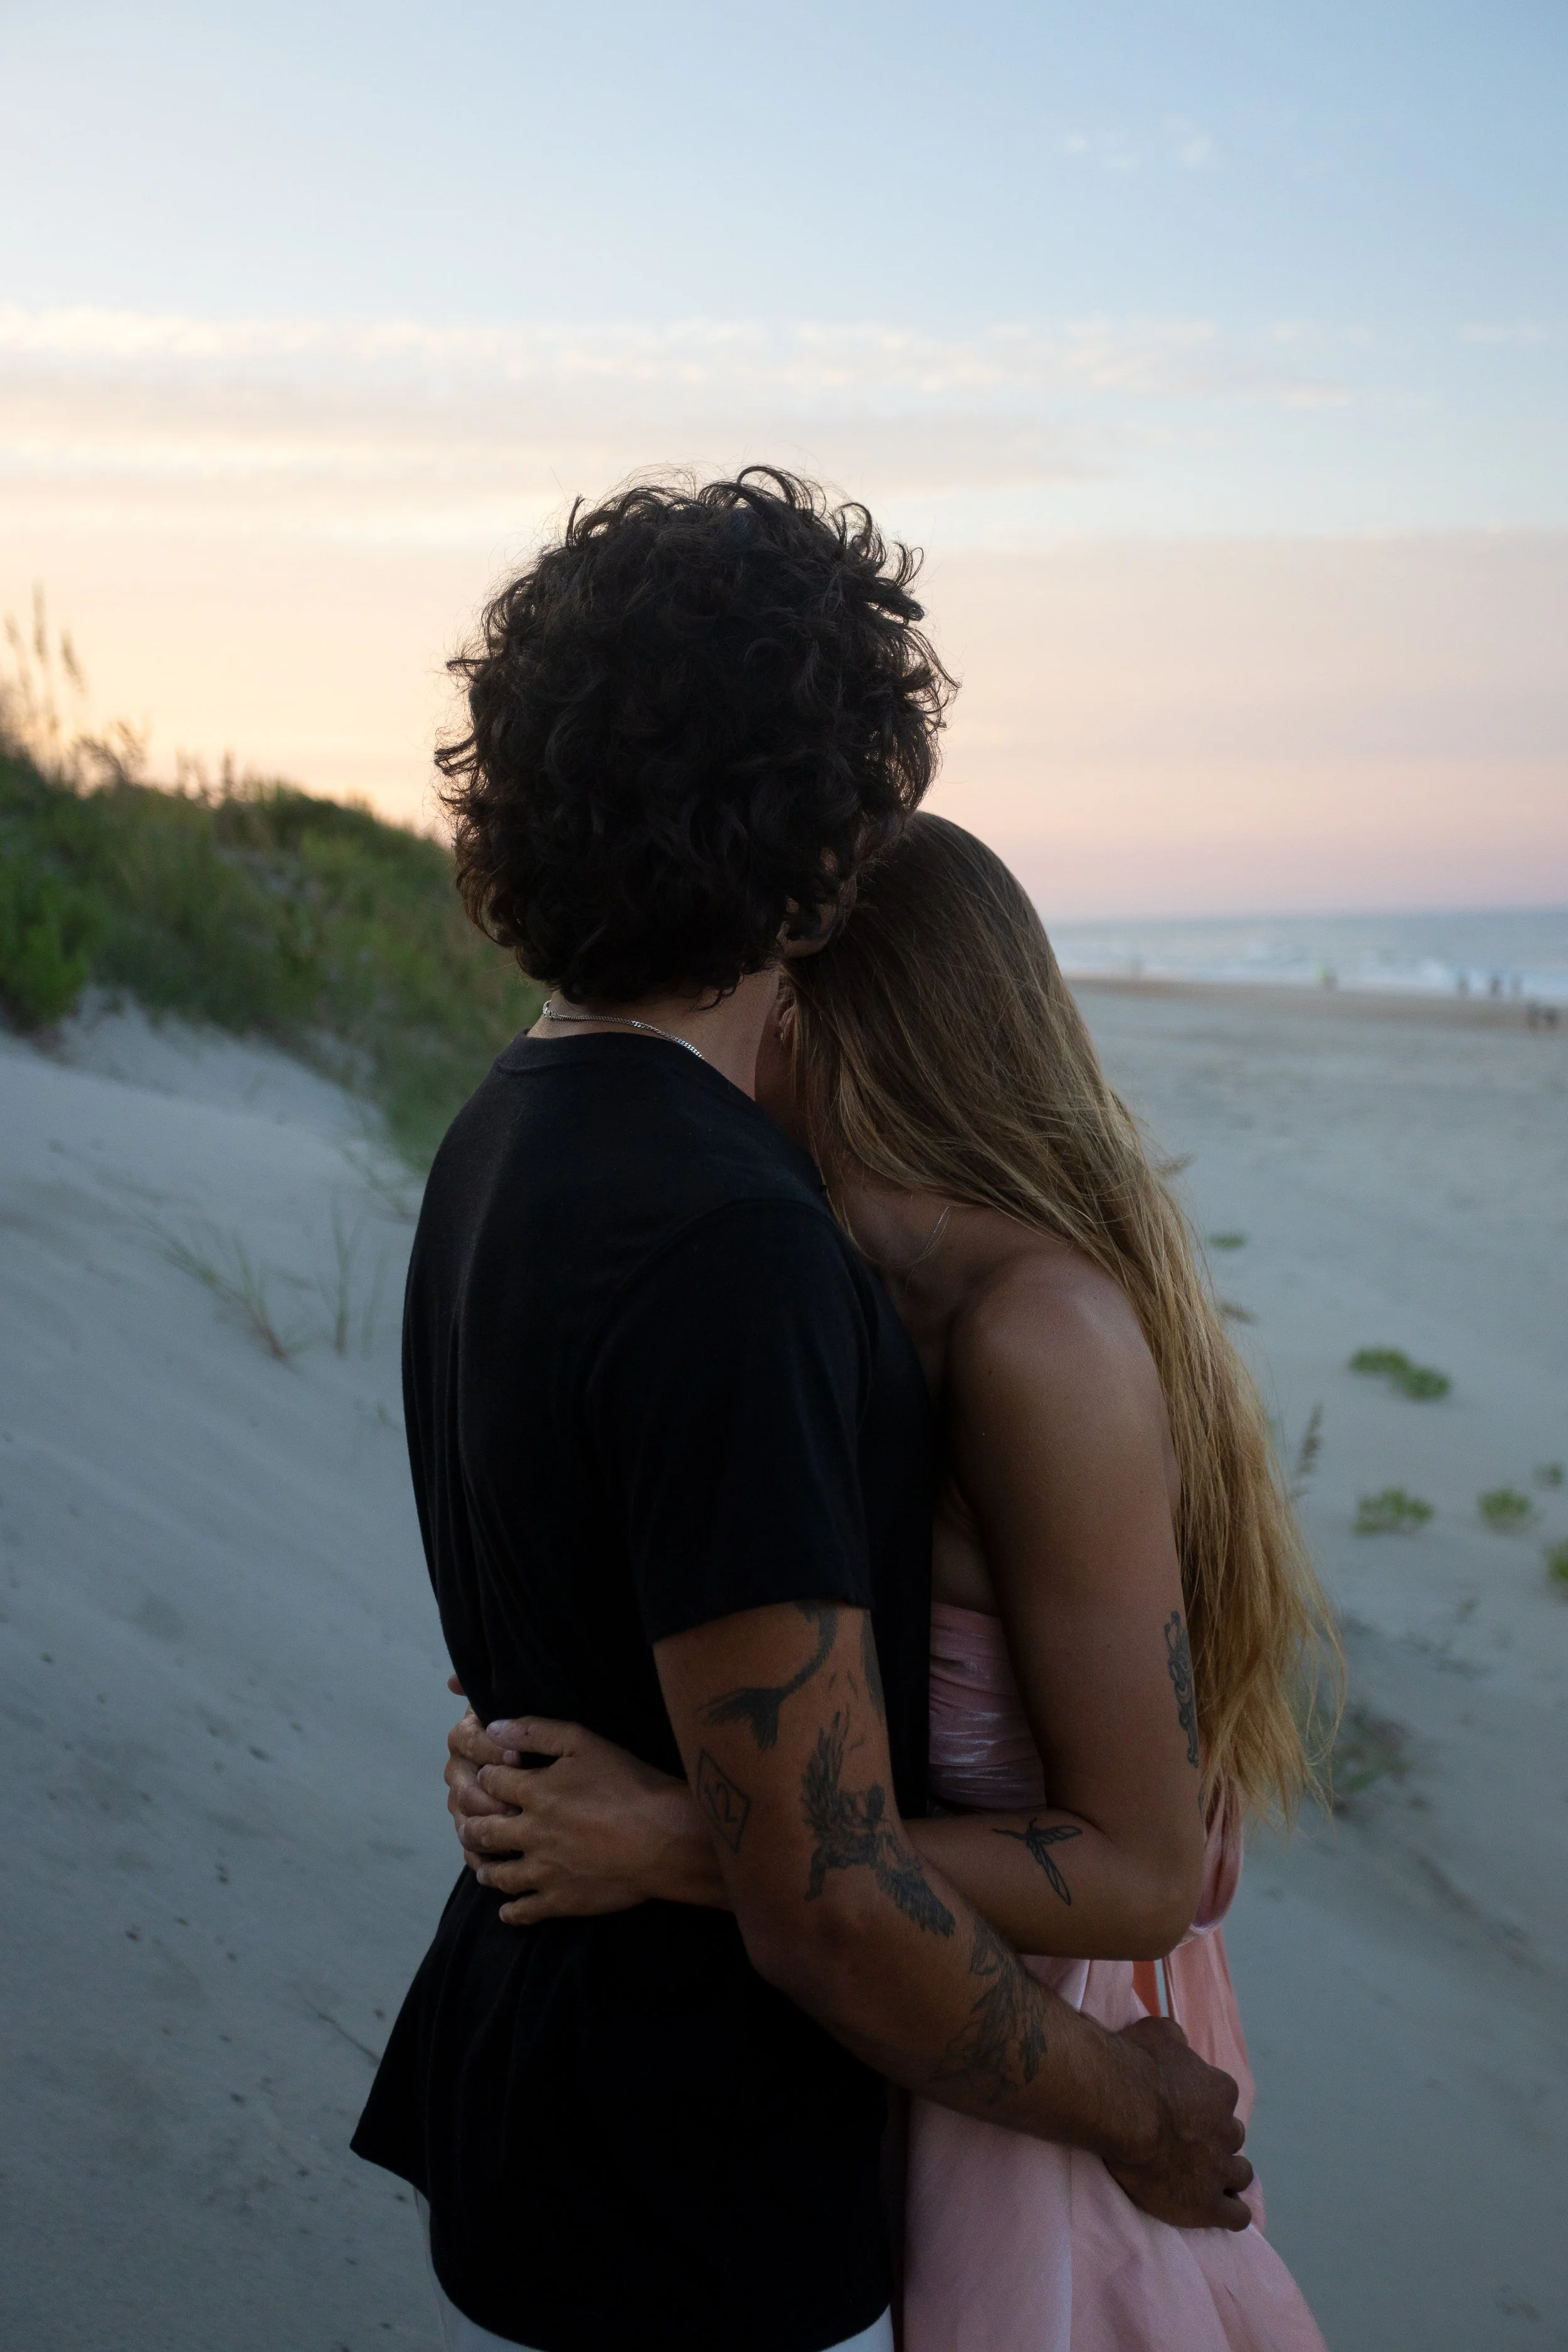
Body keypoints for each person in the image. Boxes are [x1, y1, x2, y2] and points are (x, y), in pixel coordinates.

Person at [351, 473, 1253, 2352]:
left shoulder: (499, 1137)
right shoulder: (728, 1242)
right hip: (703, 2177)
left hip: (548, 2103)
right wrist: (1133, 2111)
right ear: (823, 835)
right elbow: (825, 1899)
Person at [443, 812, 1336, 2348]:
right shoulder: (848, 1312)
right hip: (894, 2041)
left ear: (819, 1011)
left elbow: (1139, 1875)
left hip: (1034, 2067)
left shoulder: (1032, 1337)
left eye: (758, 981)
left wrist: (672, 1839)